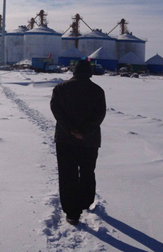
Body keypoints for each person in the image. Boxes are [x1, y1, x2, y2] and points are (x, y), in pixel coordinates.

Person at [50, 59, 106, 225]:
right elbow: (100, 114)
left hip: (65, 140)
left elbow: (56, 110)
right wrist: (85, 132)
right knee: (88, 172)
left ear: (74, 71)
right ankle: (85, 201)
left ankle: (72, 213)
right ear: (90, 73)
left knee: (68, 175)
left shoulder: (60, 88)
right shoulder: (97, 91)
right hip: (90, 141)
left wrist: (71, 130)